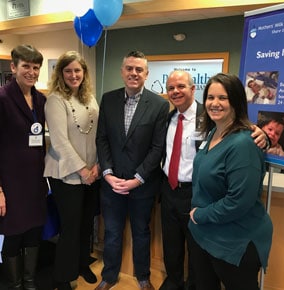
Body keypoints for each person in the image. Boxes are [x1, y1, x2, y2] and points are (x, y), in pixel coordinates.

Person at [159, 70, 270, 290]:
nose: (215, 103)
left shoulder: (245, 143)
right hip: (205, 231)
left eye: (222, 98)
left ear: (236, 101)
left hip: (234, 240)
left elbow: (239, 200)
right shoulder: (213, 132)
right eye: (210, 97)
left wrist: (199, 215)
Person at [95, 50, 169, 290]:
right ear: (122, 71)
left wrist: (137, 178)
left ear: (146, 74)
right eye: (129, 68)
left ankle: (143, 277)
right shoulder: (108, 99)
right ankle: (109, 276)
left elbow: (158, 148)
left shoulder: (159, 105)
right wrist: (107, 173)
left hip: (143, 186)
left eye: (139, 70)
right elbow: (102, 139)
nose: (133, 73)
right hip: (112, 184)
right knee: (113, 233)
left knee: (141, 233)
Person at [44, 51, 100, 290]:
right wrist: (83, 170)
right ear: (61, 73)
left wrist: (96, 166)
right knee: (71, 227)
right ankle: (62, 276)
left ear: (84, 73)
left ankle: (81, 264)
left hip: (92, 173)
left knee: (87, 224)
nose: (74, 75)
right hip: (66, 175)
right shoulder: (55, 100)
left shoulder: (90, 97)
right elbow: (59, 141)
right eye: (68, 71)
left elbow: (97, 135)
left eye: (78, 70)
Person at [0, 44, 47, 290]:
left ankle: (29, 281)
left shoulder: (40, 100)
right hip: (10, 182)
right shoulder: (3, 98)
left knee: (33, 230)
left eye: (35, 67)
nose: (31, 71)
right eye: (26, 66)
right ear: (13, 67)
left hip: (35, 181)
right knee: (13, 232)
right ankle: (15, 284)